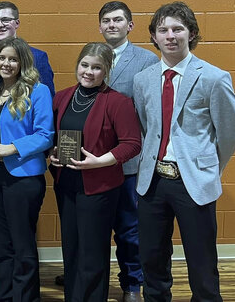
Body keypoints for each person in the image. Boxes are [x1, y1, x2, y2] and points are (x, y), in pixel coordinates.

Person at [133, 2, 235, 302]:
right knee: (152, 257)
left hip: (193, 182)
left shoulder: (213, 77)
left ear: (191, 33)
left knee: (201, 259)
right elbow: (146, 127)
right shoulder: (143, 80)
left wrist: (209, 167)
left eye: (178, 29)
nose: (170, 36)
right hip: (152, 182)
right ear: (154, 37)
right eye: (163, 30)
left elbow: (230, 132)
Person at [0, 1, 55, 298]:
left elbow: (45, 135)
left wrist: (10, 148)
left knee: (22, 245)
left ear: (23, 63)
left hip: (23, 178)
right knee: (0, 244)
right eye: (2, 58)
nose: (6, 64)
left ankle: (25, 297)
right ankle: (5, 296)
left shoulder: (37, 91)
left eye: (13, 60)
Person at [49, 42, 142, 302]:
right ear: (77, 65)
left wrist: (100, 161)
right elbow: (52, 136)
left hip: (99, 186)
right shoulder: (63, 96)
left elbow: (132, 144)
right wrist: (52, 153)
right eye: (85, 65)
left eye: (97, 67)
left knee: (92, 252)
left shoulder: (117, 102)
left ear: (106, 71)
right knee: (72, 248)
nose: (89, 72)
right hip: (66, 183)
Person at [97, 1, 159, 302]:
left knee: (128, 229)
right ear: (100, 26)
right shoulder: (92, 56)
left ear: (129, 26)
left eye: (118, 20)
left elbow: (151, 113)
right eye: (106, 20)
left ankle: (132, 284)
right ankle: (90, 276)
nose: (112, 25)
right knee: (93, 227)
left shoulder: (146, 60)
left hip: (129, 162)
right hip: (93, 159)